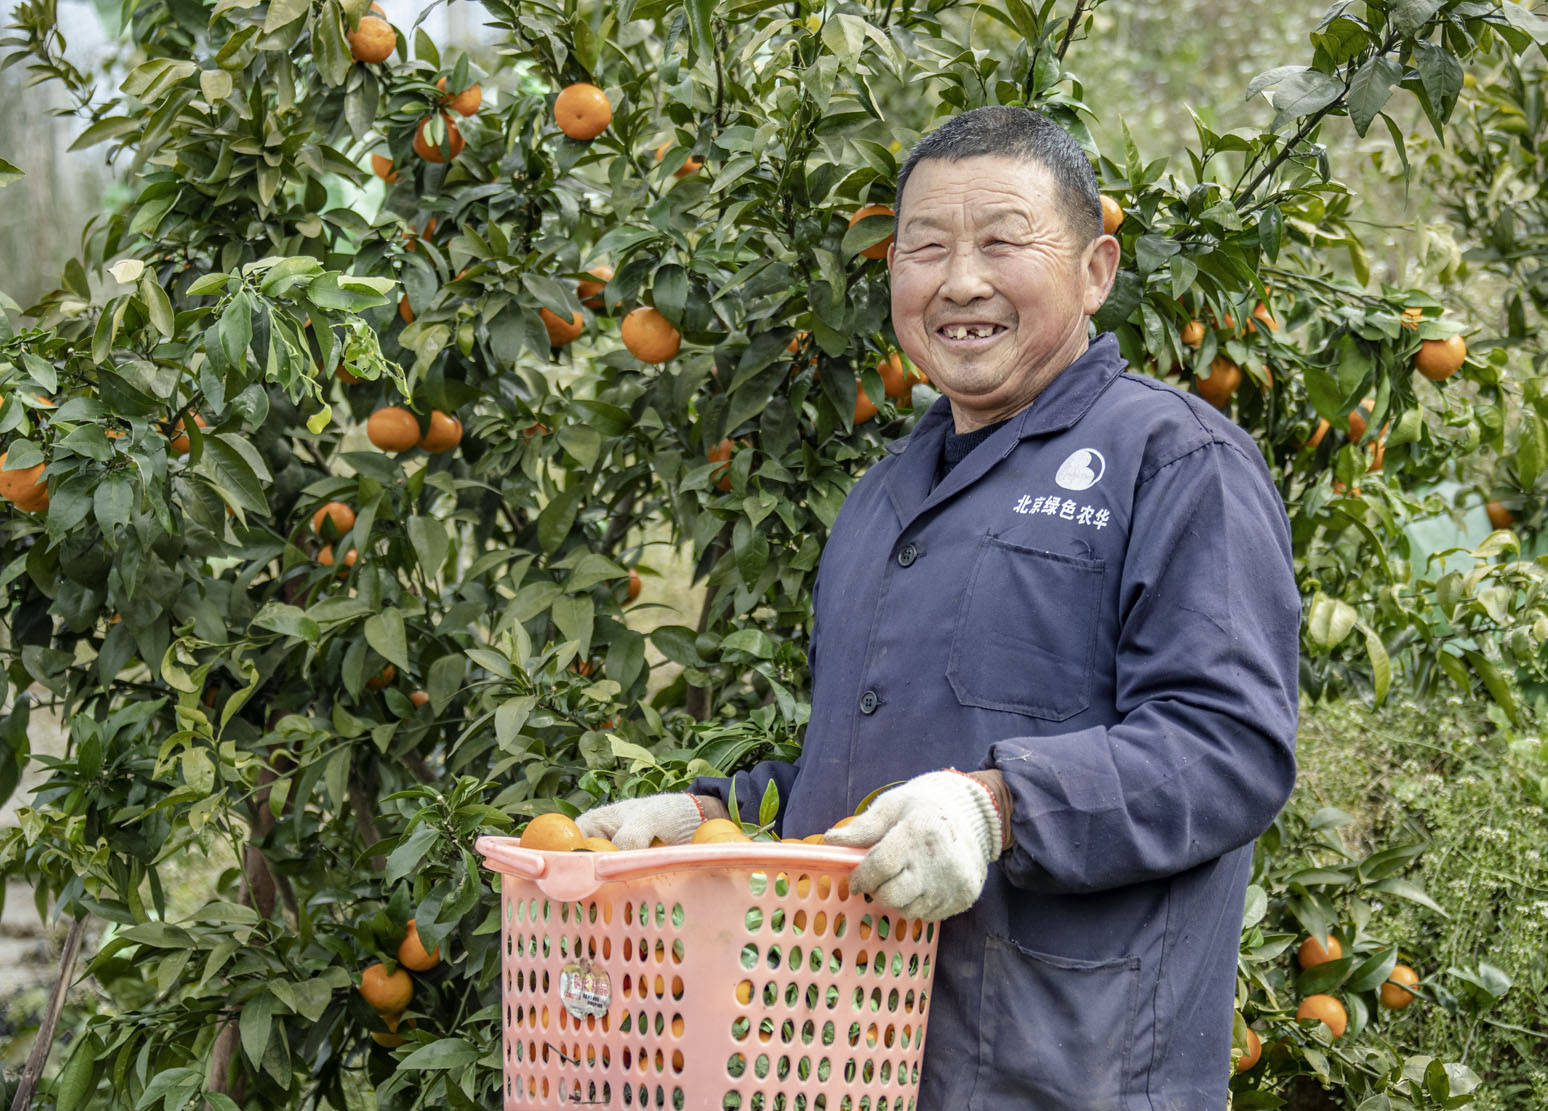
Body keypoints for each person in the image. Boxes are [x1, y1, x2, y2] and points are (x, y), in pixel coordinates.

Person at [579, 106, 1301, 1109]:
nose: (961, 280)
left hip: (1073, 1074)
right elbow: (874, 772)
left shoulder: (1173, 460)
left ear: (1096, 269)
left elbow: (1229, 748)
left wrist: (1000, 806)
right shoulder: (884, 500)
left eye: (1003, 242)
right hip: (854, 1065)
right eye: (925, 248)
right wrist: (714, 817)